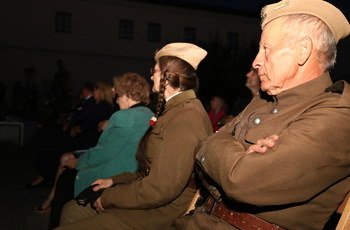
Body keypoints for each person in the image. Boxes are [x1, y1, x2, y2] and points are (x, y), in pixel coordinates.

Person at [166, 0, 350, 229]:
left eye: (266, 49)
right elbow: (202, 154)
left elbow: (242, 182)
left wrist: (222, 145)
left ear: (303, 50)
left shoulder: (338, 115)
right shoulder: (264, 98)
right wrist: (234, 154)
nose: (256, 61)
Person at [55, 42, 213, 230]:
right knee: (71, 210)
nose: (151, 75)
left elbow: (161, 188)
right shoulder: (175, 110)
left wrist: (109, 196)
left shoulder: (186, 116)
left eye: (154, 71)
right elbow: (151, 170)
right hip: (152, 199)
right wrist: (114, 181)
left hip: (163, 212)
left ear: (167, 77)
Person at [44, 73, 154, 229]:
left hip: (113, 174)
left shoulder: (123, 116)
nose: (115, 97)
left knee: (65, 179)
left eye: (117, 93)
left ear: (126, 93)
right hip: (132, 174)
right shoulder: (150, 114)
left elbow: (102, 154)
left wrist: (78, 162)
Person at [28, 81, 115, 190]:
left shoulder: (102, 106)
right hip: (89, 138)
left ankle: (45, 176)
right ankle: (46, 176)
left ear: (100, 91)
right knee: (54, 141)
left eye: (95, 90)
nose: (94, 93)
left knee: (55, 145)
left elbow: (85, 126)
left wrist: (75, 128)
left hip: (89, 141)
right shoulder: (102, 105)